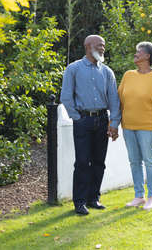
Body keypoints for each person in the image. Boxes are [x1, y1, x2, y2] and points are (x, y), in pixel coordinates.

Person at [60, 35, 121, 215]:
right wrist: (76, 117)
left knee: (99, 162)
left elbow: (114, 100)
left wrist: (114, 122)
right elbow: (65, 96)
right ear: (88, 46)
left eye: (104, 45)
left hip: (102, 120)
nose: (102, 48)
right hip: (83, 121)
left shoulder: (108, 72)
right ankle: (79, 202)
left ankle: (93, 198)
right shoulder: (73, 69)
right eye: (99, 45)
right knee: (81, 162)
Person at [118, 41, 152, 210]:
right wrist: (115, 124)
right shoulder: (128, 75)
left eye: (138, 52)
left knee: (150, 162)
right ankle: (139, 196)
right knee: (134, 162)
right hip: (128, 127)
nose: (135, 54)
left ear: (147, 56)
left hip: (148, 128)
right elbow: (119, 100)